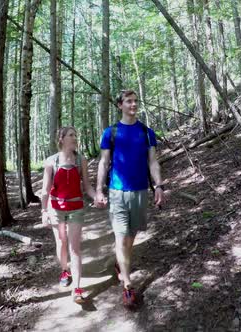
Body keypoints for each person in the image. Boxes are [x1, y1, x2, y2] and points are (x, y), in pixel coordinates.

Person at [94, 89, 165, 308]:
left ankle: (120, 262)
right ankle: (127, 284)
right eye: (128, 101)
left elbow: (152, 161)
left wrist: (159, 185)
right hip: (117, 192)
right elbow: (104, 163)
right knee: (121, 236)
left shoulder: (146, 132)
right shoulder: (111, 132)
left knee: (130, 237)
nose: (133, 105)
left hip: (140, 191)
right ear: (120, 105)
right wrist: (98, 189)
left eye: (135, 101)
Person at [40, 127, 96, 304]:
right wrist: (44, 211)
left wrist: (97, 196)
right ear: (61, 139)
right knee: (61, 242)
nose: (75, 138)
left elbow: (87, 186)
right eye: (71, 135)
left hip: (76, 207)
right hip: (55, 207)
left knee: (75, 247)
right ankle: (65, 270)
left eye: (75, 135)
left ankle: (77, 288)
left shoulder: (81, 160)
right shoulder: (51, 161)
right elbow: (45, 190)